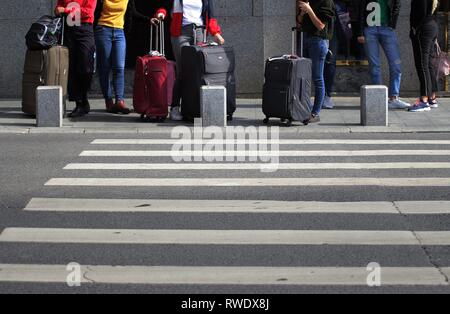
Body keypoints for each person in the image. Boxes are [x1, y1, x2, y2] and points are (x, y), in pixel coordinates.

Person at [152, 0, 225, 121]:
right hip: (181, 32)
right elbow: (164, 7)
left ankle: (193, 107)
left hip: (200, 32)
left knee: (198, 72)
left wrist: (216, 33)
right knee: (183, 71)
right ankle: (175, 107)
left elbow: (210, 16)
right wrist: (161, 14)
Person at [94, 0, 150, 114]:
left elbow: (133, 12)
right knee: (104, 68)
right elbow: (94, 13)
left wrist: (148, 20)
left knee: (119, 67)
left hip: (119, 32)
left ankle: (119, 101)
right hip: (103, 30)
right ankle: (108, 101)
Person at [358, 0, 411, 110]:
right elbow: (360, 9)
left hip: (387, 28)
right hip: (370, 28)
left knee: (396, 65)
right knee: (374, 66)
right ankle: (380, 98)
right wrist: (360, 32)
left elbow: (397, 4)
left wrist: (393, 24)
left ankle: (394, 98)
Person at [55, 0, 97, 118]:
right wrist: (58, 9)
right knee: (71, 67)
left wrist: (66, 10)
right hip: (69, 27)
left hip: (84, 28)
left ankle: (84, 97)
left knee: (86, 65)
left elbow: (88, 12)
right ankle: (79, 102)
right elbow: (59, 5)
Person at [297, 0, 335, 123]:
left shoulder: (326, 2)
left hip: (318, 41)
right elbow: (299, 22)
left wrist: (309, 10)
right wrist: (302, 13)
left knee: (318, 78)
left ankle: (315, 113)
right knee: (305, 77)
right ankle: (304, 109)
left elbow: (320, 26)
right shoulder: (309, 1)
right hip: (306, 39)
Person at [409, 0, 440, 112]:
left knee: (422, 64)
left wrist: (415, 28)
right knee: (428, 64)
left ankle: (424, 100)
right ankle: (432, 98)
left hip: (423, 27)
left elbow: (420, 11)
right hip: (432, 25)